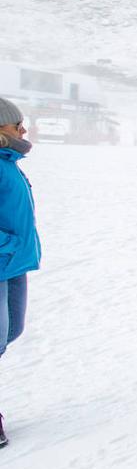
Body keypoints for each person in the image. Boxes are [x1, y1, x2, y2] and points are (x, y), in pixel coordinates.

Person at [0, 98, 41, 448]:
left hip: (11, 266)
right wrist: (6, 245)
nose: (23, 130)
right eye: (17, 125)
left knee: (10, 331)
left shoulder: (8, 163)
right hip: (3, 260)